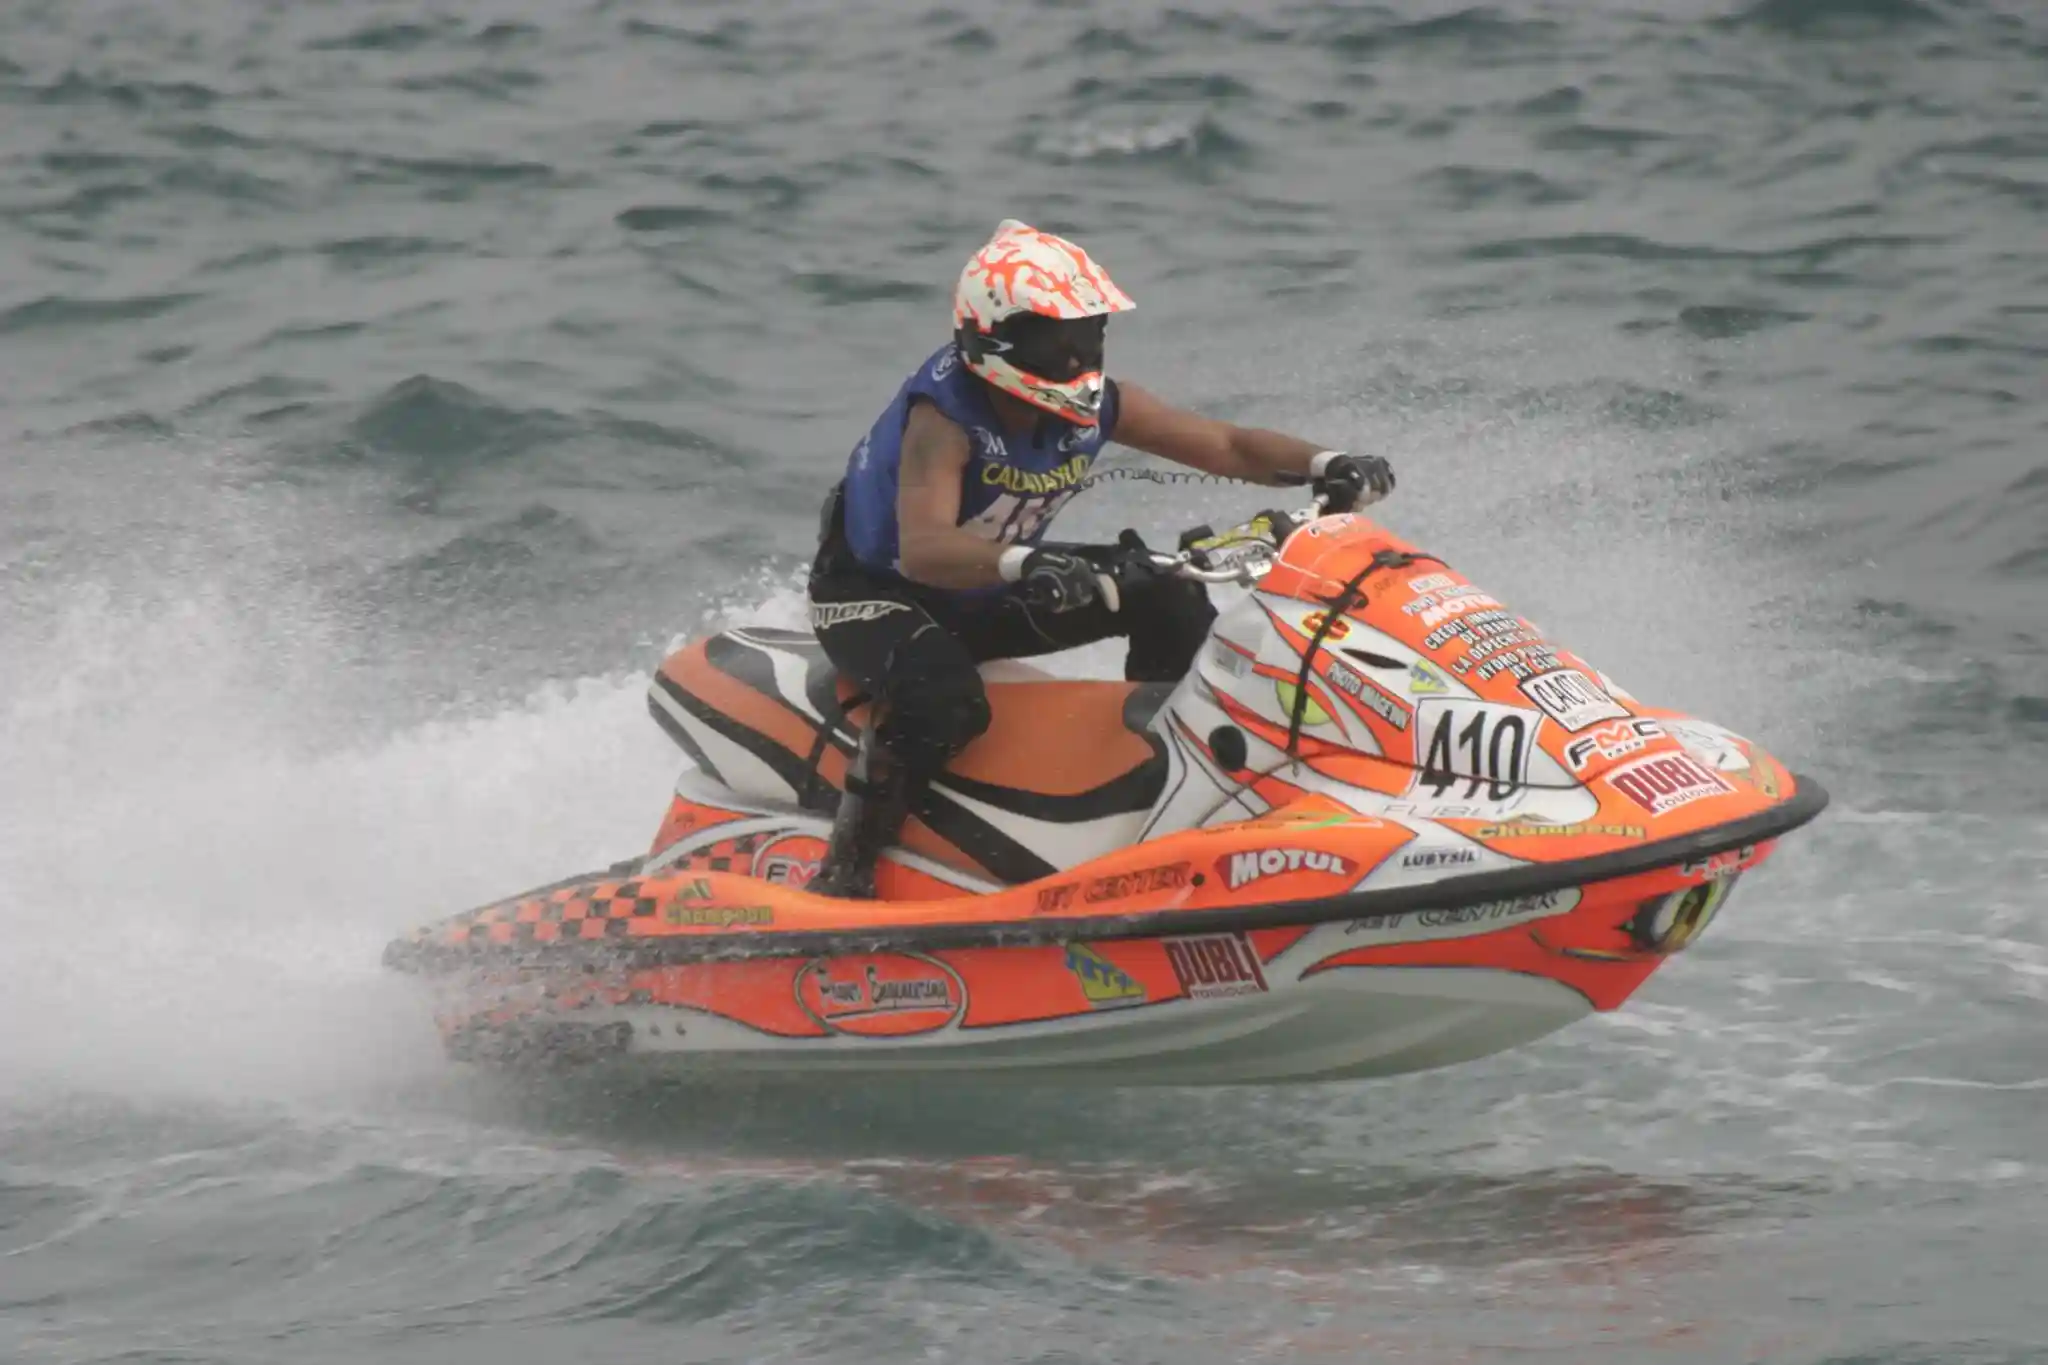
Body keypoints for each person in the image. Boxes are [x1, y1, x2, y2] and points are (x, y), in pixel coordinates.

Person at [806, 218, 1395, 897]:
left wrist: (1328, 462)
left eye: (1087, 334)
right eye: (1057, 339)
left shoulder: (1093, 407)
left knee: (1162, 591)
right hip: (878, 590)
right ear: (994, 338)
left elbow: (1227, 445)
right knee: (944, 702)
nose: (1077, 355)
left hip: (988, 579)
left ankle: (1177, 798)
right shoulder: (942, 420)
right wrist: (1024, 565)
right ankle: (844, 873)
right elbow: (926, 549)